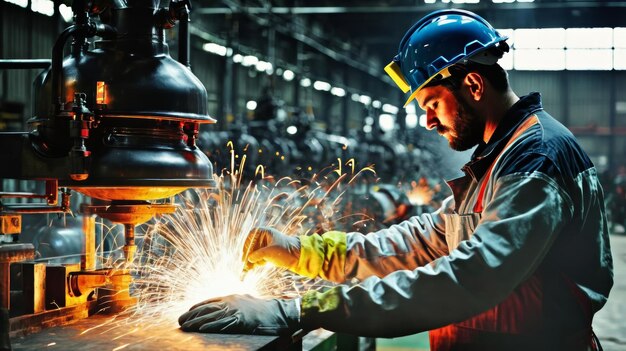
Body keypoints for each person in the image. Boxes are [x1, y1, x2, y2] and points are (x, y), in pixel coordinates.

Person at [178, 9, 613, 350]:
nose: (427, 122)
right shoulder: (498, 158)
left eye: (432, 103)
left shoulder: (534, 157)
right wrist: (300, 251)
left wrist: (298, 309)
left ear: (474, 85)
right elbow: (420, 242)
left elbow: (472, 278)